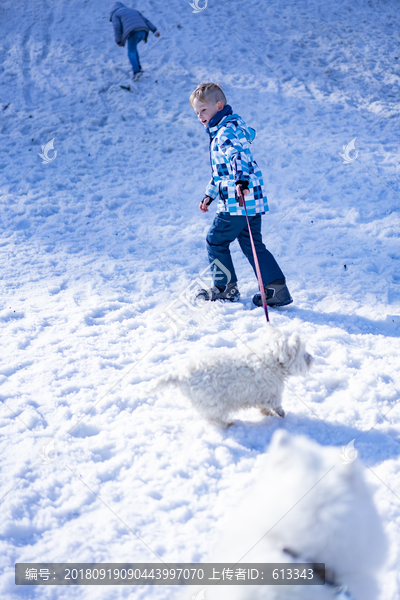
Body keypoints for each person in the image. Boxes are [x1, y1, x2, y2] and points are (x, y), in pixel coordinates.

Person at [189, 82, 293, 307]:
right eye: (197, 112)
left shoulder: (225, 132)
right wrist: (209, 195)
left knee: (215, 240)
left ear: (219, 105)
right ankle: (276, 289)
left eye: (203, 110)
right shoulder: (229, 128)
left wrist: (241, 181)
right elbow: (221, 172)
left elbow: (238, 158)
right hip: (251, 198)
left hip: (237, 201)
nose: (200, 116)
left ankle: (225, 288)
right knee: (252, 244)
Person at [109, 2, 160, 80]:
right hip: (143, 31)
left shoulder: (116, 14)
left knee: (131, 52)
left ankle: (136, 71)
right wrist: (154, 30)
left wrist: (118, 41)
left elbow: (117, 27)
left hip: (133, 32)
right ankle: (139, 67)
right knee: (133, 49)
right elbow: (146, 21)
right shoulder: (133, 10)